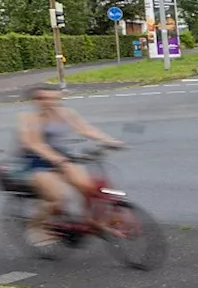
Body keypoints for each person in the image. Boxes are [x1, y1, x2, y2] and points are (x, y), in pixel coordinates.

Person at [16, 86, 123, 245]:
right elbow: (34, 143)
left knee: (89, 187)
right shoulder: (28, 118)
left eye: (54, 98)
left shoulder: (66, 113)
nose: (50, 102)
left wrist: (108, 141)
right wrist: (57, 159)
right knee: (56, 198)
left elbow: (85, 129)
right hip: (36, 162)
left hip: (62, 157)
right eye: (44, 98)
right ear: (36, 100)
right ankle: (37, 227)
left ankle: (93, 223)